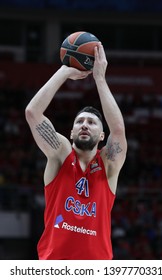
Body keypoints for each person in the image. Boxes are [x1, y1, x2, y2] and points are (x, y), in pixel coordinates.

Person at [25, 42, 127, 260]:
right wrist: (63, 71)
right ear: (70, 132)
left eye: (92, 122)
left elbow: (118, 130)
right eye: (80, 121)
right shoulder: (60, 154)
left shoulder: (109, 164)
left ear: (102, 136)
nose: (84, 124)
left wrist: (100, 79)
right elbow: (33, 112)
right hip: (54, 268)